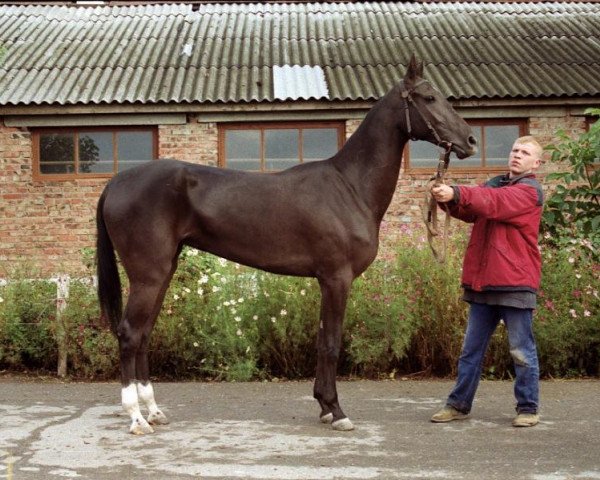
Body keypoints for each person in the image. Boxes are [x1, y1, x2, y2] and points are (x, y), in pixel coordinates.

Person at [429, 135, 544, 428]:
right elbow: (470, 209)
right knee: (470, 351)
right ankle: (458, 405)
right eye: (515, 149)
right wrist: (447, 200)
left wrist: (456, 191)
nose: (517, 155)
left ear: (536, 163)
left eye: (525, 152)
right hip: (483, 283)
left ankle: (528, 408)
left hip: (516, 283)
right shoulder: (495, 183)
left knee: (521, 351)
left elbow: (493, 204)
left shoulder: (529, 192)